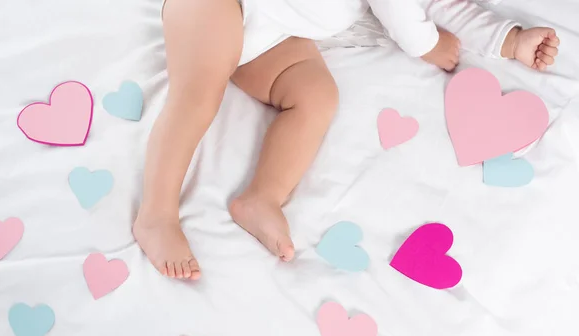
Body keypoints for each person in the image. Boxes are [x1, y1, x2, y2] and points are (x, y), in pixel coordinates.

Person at [133, 0, 560, 280]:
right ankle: (156, 214)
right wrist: (426, 44)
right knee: (198, 97)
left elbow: (440, 3)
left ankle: (262, 197)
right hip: (222, 7)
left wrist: (510, 39)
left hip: (274, 35)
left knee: (316, 97)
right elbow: (401, 11)